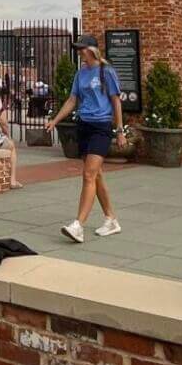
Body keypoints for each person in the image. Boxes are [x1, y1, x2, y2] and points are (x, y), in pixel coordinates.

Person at [44, 36, 123, 244]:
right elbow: (72, 100)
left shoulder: (107, 72)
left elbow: (116, 101)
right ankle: (111, 219)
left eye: (82, 49)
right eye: (78, 50)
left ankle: (78, 225)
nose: (79, 53)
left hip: (101, 126)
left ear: (92, 50)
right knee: (96, 176)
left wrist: (120, 130)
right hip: (84, 126)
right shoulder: (81, 73)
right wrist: (55, 120)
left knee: (88, 175)